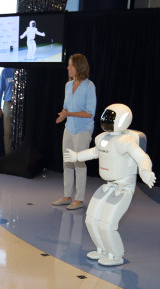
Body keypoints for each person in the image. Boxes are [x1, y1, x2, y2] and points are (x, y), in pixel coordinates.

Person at [64, 104, 156, 266]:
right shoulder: (102, 138)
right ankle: (102, 249)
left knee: (107, 225)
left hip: (123, 188)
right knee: (91, 220)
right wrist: (77, 156)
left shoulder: (125, 142)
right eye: (106, 117)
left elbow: (143, 158)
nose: (106, 120)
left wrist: (145, 171)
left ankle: (116, 255)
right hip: (108, 186)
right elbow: (94, 152)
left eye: (110, 117)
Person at [52, 53, 96, 210]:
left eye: (71, 65)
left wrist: (69, 113)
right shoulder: (68, 85)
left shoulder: (89, 86)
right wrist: (63, 115)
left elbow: (90, 113)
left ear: (79, 66)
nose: (68, 68)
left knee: (79, 163)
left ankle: (79, 199)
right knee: (67, 162)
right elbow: (66, 108)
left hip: (83, 130)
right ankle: (67, 196)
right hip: (69, 128)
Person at [0, 67, 14, 155]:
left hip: (22, 104)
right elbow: (0, 89)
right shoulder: (5, 71)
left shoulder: (24, 69)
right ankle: (8, 155)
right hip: (8, 103)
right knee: (7, 132)